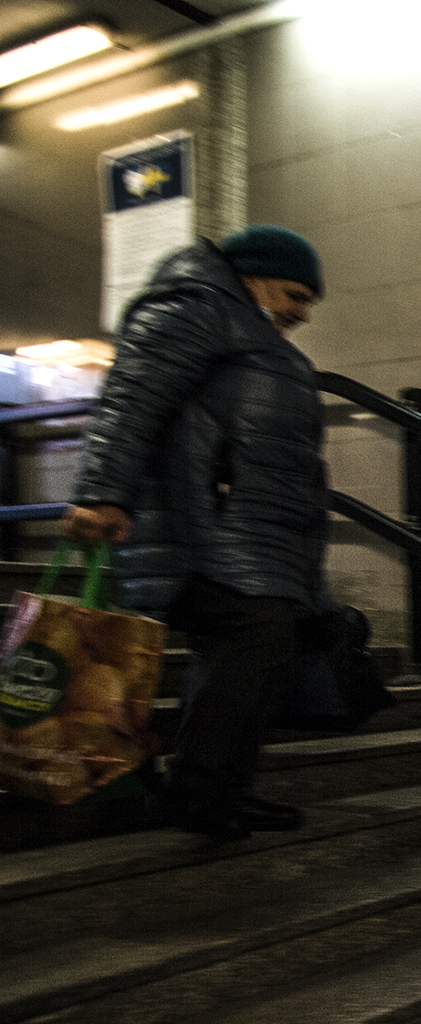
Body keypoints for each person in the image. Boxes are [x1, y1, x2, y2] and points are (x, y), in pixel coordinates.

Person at [65, 225, 330, 840]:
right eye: (292, 294)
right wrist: (103, 492)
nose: (299, 312)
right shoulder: (195, 307)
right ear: (252, 276)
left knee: (259, 643)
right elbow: (132, 396)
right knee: (255, 633)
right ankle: (200, 792)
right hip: (202, 528)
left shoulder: (245, 330)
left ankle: (225, 790)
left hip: (255, 532)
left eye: (307, 304)